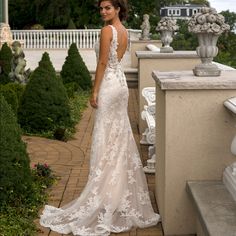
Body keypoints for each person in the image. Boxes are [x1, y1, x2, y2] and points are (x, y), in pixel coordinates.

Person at [40, 1, 160, 235]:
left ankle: (106, 195)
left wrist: (94, 90)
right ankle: (113, 194)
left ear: (117, 9)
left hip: (109, 86)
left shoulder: (107, 30)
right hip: (121, 86)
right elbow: (116, 60)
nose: (103, 12)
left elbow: (103, 63)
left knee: (106, 140)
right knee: (118, 140)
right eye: (101, 8)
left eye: (108, 7)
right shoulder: (125, 31)